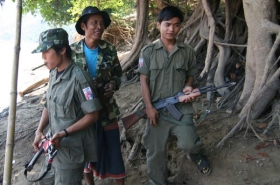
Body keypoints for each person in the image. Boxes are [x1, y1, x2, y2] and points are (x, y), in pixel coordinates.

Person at [137, 6, 212, 185]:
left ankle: (196, 155)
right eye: (167, 24)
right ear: (158, 25)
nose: (172, 29)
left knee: (190, 144)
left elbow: (191, 74)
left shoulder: (187, 51)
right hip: (157, 111)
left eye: (176, 25)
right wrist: (149, 108)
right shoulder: (148, 51)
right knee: (155, 151)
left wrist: (188, 87)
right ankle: (158, 181)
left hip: (181, 108)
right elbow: (143, 81)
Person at [31, 28, 102, 185]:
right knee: (43, 181)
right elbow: (49, 104)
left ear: (62, 49)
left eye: (46, 51)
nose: (43, 57)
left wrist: (63, 134)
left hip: (71, 151)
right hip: (53, 148)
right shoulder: (54, 73)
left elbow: (93, 114)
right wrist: (39, 131)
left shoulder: (79, 78)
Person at [71, 6, 125, 185]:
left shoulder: (109, 49)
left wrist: (114, 83)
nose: (99, 27)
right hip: (83, 114)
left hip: (107, 111)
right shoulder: (71, 53)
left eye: (101, 23)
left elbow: (118, 73)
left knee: (114, 153)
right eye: (94, 22)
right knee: (87, 156)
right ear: (84, 26)